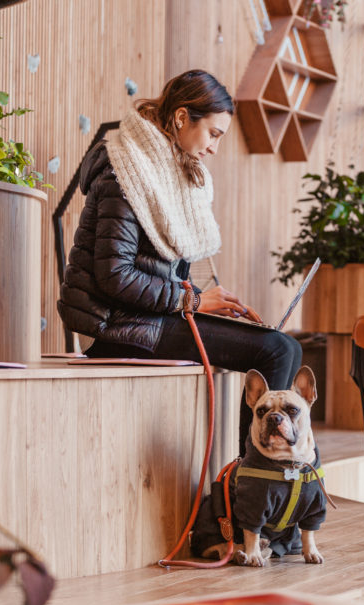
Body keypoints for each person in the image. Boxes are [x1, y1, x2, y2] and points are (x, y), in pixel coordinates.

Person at [57, 69, 303, 456]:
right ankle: (252, 476)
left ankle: (253, 471)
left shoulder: (167, 174)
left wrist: (209, 303)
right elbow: (115, 276)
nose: (215, 148)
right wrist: (195, 302)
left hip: (147, 317)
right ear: (182, 117)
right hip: (116, 327)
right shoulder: (125, 172)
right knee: (277, 350)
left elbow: (159, 274)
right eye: (213, 134)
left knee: (285, 347)